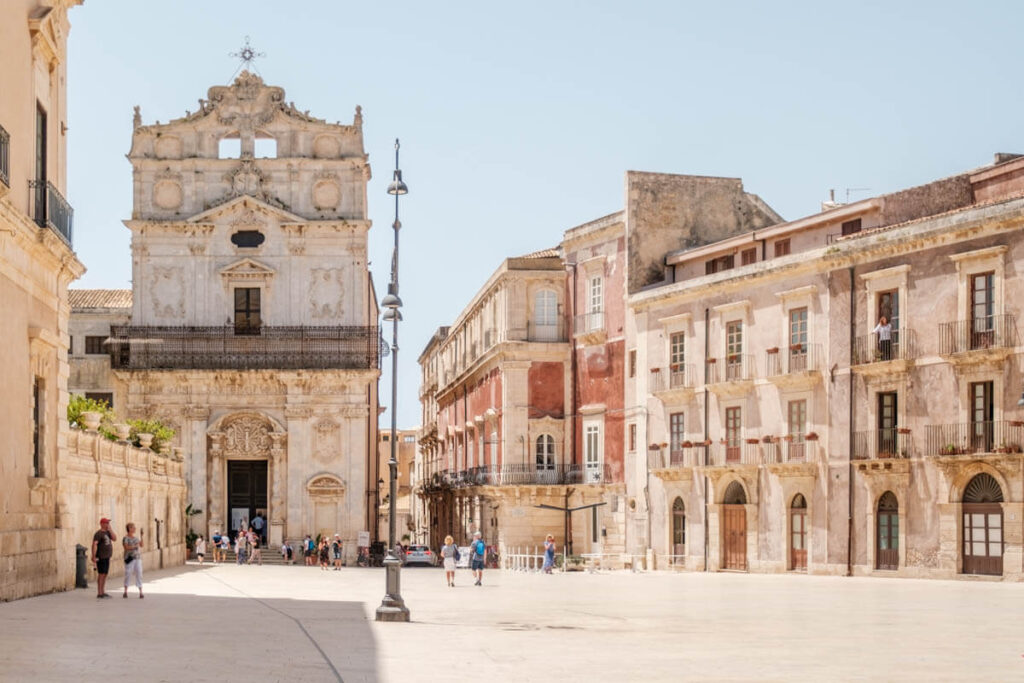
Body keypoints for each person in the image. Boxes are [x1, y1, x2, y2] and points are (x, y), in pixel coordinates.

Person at [90, 517, 117, 598]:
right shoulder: (98, 534)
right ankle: (99, 592)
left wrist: (110, 529)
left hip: (107, 556)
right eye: (106, 523)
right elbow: (94, 544)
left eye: (108, 523)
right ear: (102, 524)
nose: (107, 524)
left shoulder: (108, 533)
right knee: (101, 574)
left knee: (105, 574)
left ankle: (103, 591)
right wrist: (93, 556)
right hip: (101, 556)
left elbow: (115, 538)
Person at [122, 523, 144, 599]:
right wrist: (134, 546)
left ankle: (140, 591)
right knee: (128, 573)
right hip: (129, 558)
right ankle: (125, 591)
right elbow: (126, 547)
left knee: (139, 573)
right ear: (129, 528)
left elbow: (141, 545)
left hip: (137, 558)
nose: (134, 529)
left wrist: (141, 536)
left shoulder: (136, 538)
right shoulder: (125, 538)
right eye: (133, 528)